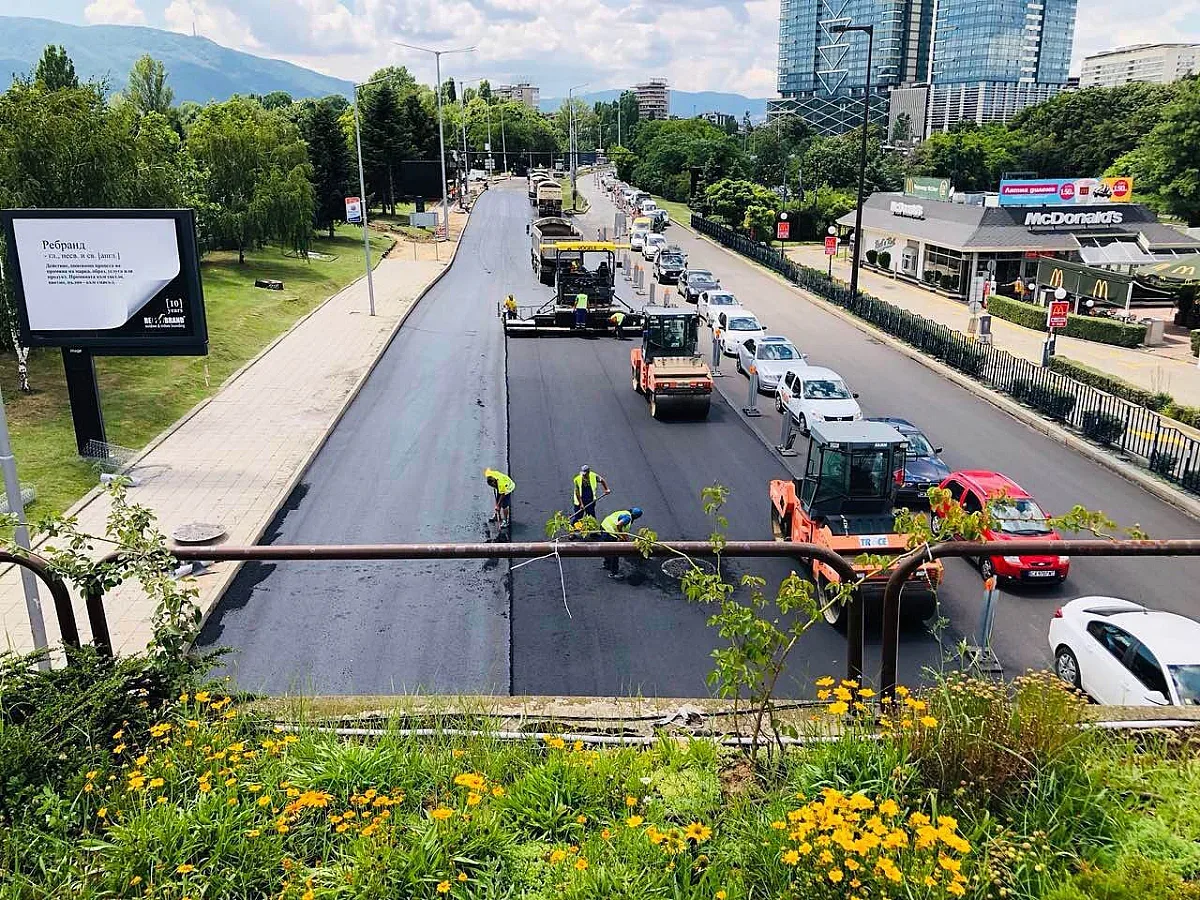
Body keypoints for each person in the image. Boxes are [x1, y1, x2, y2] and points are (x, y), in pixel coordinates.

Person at [600, 507, 642, 578]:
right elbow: (619, 525)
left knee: (607, 549)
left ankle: (607, 564)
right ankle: (614, 573)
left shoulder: (624, 512)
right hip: (609, 532)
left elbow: (623, 530)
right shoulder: (628, 518)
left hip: (604, 527)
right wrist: (621, 534)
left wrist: (623, 537)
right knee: (615, 552)